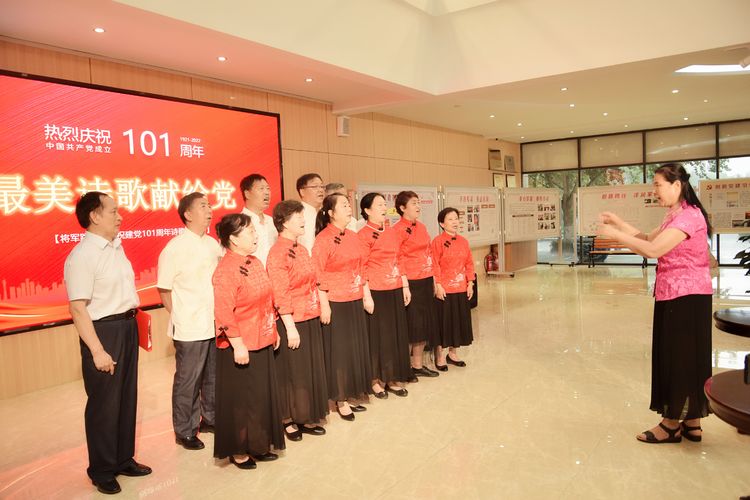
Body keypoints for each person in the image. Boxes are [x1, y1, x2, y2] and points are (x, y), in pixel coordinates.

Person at [597, 162, 713, 444]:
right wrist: (620, 224)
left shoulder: (689, 217)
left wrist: (615, 236)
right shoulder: (676, 215)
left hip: (685, 297)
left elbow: (652, 250)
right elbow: (648, 239)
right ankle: (692, 421)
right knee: (687, 358)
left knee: (678, 359)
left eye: (658, 185)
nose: (655, 191)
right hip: (679, 295)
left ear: (677, 185)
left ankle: (671, 424)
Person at [64, 191, 151, 495]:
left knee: (126, 397)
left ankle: (123, 459)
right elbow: (78, 309)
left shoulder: (116, 247)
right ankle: (101, 469)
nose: (120, 216)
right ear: (94, 216)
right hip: (103, 332)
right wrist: (97, 350)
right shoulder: (82, 256)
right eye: (113, 211)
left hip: (126, 327)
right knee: (104, 404)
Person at [212, 214, 284, 469]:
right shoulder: (225, 270)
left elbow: (267, 299)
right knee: (241, 401)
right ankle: (239, 449)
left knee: (260, 397)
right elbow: (223, 312)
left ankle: (258, 444)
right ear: (233, 239)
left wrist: (273, 329)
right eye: (250, 232)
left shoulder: (254, 261)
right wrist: (238, 344)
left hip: (262, 336)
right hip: (240, 344)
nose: (256, 236)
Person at [157, 192, 222, 451]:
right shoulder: (174, 248)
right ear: (188, 214)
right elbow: (164, 289)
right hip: (189, 325)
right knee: (188, 380)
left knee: (212, 377)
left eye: (209, 205)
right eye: (203, 206)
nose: (209, 210)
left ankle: (210, 418)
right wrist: (180, 316)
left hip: (213, 320)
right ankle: (185, 430)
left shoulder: (213, 244)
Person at [267, 200, 329, 441]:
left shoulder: (301, 248)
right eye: (298, 217)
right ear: (283, 222)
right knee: (292, 373)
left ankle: (305, 414)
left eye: (303, 216)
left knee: (307, 370)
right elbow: (280, 293)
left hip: (310, 315)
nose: (303, 220)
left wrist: (322, 305)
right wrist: (290, 328)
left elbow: (315, 279)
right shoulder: (277, 253)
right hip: (291, 320)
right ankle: (288, 419)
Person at [312, 193, 374, 420]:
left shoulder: (353, 236)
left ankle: (350, 392)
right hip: (335, 301)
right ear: (331, 213)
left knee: (353, 349)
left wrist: (366, 295)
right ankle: (340, 399)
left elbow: (362, 267)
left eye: (349, 205)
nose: (349, 209)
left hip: (355, 298)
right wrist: (324, 304)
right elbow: (318, 273)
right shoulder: (323, 239)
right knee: (339, 352)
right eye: (344, 205)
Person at [358, 192, 412, 398]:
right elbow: (361, 267)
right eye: (379, 205)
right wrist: (366, 295)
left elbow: (400, 258)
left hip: (395, 288)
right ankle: (374, 380)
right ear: (367, 210)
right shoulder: (363, 235)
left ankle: (391, 377)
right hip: (376, 291)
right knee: (378, 337)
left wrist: (405, 285)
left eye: (384, 204)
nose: (384, 208)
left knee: (394, 335)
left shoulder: (391, 232)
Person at [392, 191, 441, 379]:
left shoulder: (422, 226)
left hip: (426, 279)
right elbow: (397, 258)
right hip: (410, 281)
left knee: (423, 324)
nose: (418, 206)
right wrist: (404, 283)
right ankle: (404, 367)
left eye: (418, 202)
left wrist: (434, 278)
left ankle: (418, 365)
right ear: (402, 208)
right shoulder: (397, 230)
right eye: (413, 203)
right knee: (411, 324)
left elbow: (429, 253)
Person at [432, 207, 475, 370]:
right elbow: (434, 265)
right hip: (444, 289)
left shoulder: (464, 241)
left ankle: (452, 353)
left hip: (461, 288)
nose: (455, 222)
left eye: (456, 218)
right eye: (450, 219)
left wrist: (470, 283)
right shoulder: (437, 241)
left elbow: (469, 263)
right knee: (444, 323)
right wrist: (438, 285)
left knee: (457, 322)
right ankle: (440, 356)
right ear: (442, 223)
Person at [240, 173, 277, 267]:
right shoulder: (238, 223)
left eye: (268, 188)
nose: (267, 192)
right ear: (247, 194)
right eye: (261, 189)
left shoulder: (272, 221)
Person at [296, 173, 326, 254]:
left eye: (322, 186)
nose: (320, 190)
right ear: (302, 191)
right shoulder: (297, 216)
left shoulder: (325, 214)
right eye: (315, 186)